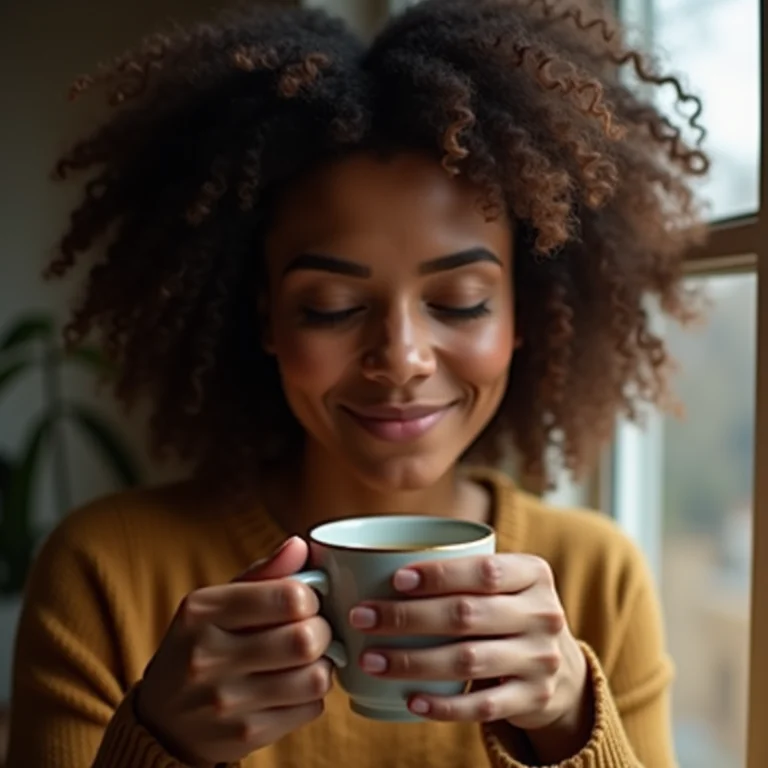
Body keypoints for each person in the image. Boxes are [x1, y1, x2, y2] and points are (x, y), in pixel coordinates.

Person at [7, 0, 709, 766]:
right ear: (267, 317)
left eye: (461, 302)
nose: (402, 356)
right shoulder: (107, 572)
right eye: (332, 307)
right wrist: (157, 743)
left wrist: (572, 721)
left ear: (521, 317)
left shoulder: (595, 580)